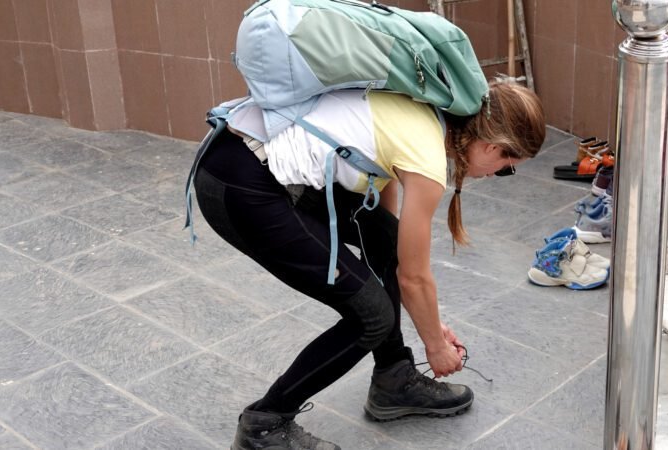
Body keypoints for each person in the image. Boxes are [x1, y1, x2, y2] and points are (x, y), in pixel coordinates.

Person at [192, 79, 545, 450]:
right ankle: (264, 425)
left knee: (386, 245)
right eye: (506, 167)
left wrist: (430, 324)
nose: (495, 175)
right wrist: (435, 345)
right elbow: (413, 278)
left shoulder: (426, 114)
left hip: (245, 157)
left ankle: (393, 378)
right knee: (371, 317)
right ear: (492, 146)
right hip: (242, 184)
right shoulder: (427, 157)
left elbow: (386, 228)